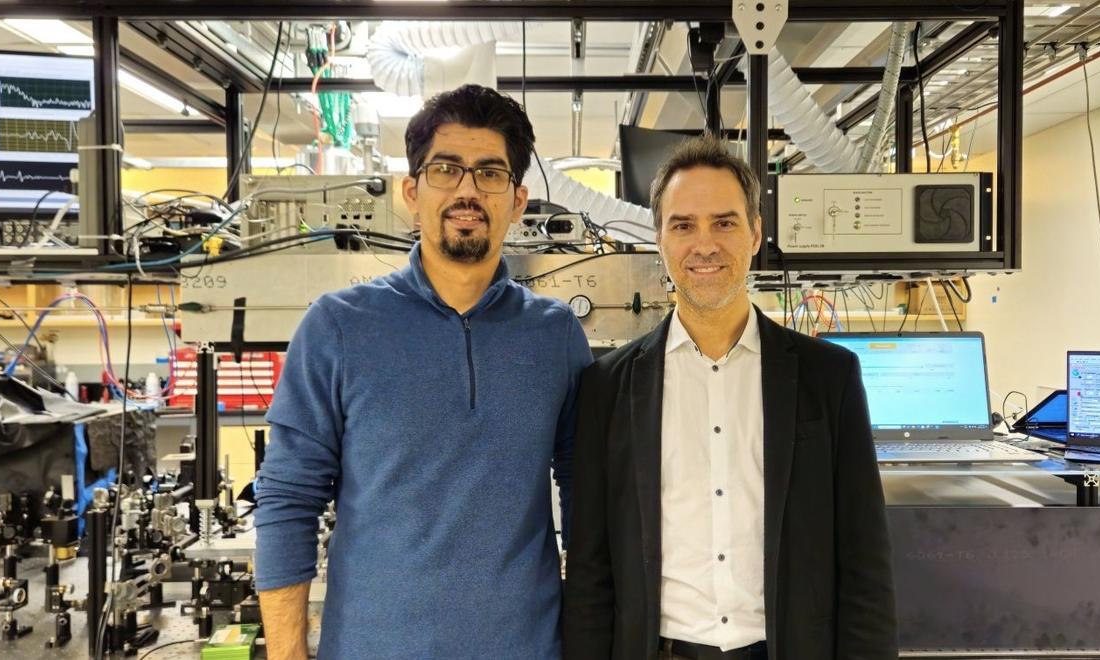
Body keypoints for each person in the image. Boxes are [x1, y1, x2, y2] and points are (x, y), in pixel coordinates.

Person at [255, 84, 591, 659]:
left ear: (517, 200)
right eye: (446, 170)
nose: (467, 190)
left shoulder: (555, 334)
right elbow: (288, 497)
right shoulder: (337, 327)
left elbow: (588, 495)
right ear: (412, 191)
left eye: (490, 173)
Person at [562, 137, 897, 659]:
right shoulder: (608, 387)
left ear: (756, 232)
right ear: (659, 239)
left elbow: (865, 562)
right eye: (683, 225)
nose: (705, 244)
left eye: (724, 222)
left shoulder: (828, 378)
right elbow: (590, 568)